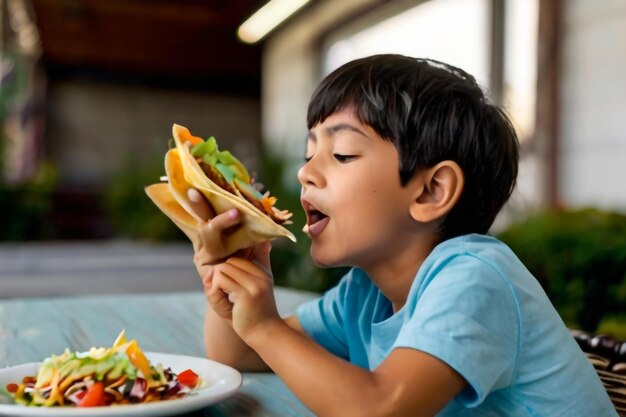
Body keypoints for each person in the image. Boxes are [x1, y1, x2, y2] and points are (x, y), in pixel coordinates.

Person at [188, 54, 617, 416]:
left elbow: (382, 408)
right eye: (309, 153)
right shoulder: (363, 296)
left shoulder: (475, 277)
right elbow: (239, 356)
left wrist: (265, 327)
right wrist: (233, 274)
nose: (304, 172)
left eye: (341, 154)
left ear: (432, 190)